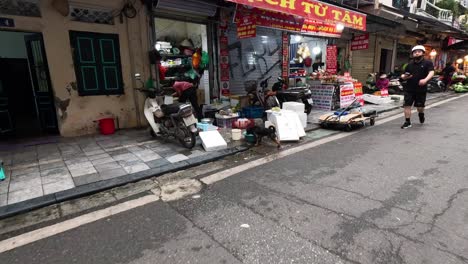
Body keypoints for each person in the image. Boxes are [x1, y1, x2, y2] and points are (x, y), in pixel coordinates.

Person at [400, 45, 434, 129]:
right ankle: (407, 121)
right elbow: (404, 74)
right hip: (409, 89)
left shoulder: (428, 63)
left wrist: (425, 80)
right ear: (412, 54)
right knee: (407, 105)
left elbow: (431, 72)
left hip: (421, 89)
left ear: (423, 53)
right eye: (415, 52)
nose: (417, 53)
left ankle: (421, 114)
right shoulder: (409, 64)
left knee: (420, 107)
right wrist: (404, 77)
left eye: (419, 51)